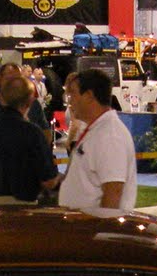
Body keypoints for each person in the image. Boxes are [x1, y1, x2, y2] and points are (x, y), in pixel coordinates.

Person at [0, 74, 59, 204]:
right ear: (29, 101)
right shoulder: (33, 132)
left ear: (1, 98)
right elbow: (49, 181)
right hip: (23, 206)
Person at [58, 68, 136, 211]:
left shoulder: (110, 136)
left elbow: (113, 192)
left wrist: (100, 224)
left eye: (73, 93)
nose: (70, 101)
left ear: (89, 96)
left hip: (92, 223)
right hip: (81, 221)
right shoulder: (96, 129)